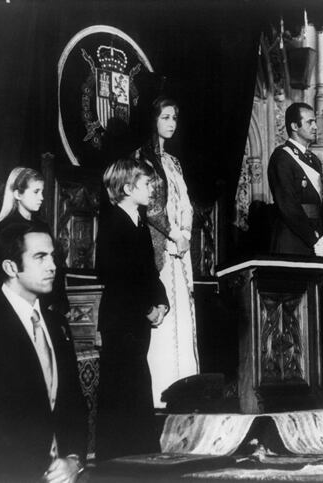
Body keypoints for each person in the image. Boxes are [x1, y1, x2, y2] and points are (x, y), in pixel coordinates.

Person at [0, 223, 87, 482]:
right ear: (10, 267)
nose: (53, 266)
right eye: (40, 257)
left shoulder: (57, 325)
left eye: (53, 256)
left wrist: (74, 461)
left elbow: (73, 404)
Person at [95, 158, 169, 461]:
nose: (152, 188)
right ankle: (118, 456)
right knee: (122, 384)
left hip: (136, 318)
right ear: (127, 188)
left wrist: (162, 301)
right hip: (121, 319)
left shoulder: (138, 221)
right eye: (146, 183)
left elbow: (149, 271)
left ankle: (139, 451)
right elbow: (112, 274)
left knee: (137, 381)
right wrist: (146, 308)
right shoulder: (113, 221)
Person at [136, 96, 199, 408]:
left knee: (182, 318)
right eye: (165, 117)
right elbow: (150, 206)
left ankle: (184, 389)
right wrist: (173, 233)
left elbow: (185, 203)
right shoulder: (141, 159)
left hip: (180, 248)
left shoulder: (174, 162)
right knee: (162, 318)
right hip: (158, 245)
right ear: (153, 120)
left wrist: (185, 232)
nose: (171, 123)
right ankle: (160, 392)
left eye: (174, 117)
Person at [0, 167, 69, 314]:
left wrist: (60, 300)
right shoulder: (7, 227)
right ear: (17, 194)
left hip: (49, 300)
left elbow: (56, 266)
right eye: (36, 192)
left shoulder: (42, 225)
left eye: (42, 192)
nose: (41, 197)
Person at [268, 102, 323, 257]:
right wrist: (313, 239)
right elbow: (288, 206)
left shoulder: (314, 160)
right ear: (294, 126)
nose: (316, 127)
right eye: (310, 122)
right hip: (293, 240)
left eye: (315, 122)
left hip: (318, 241)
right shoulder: (282, 157)